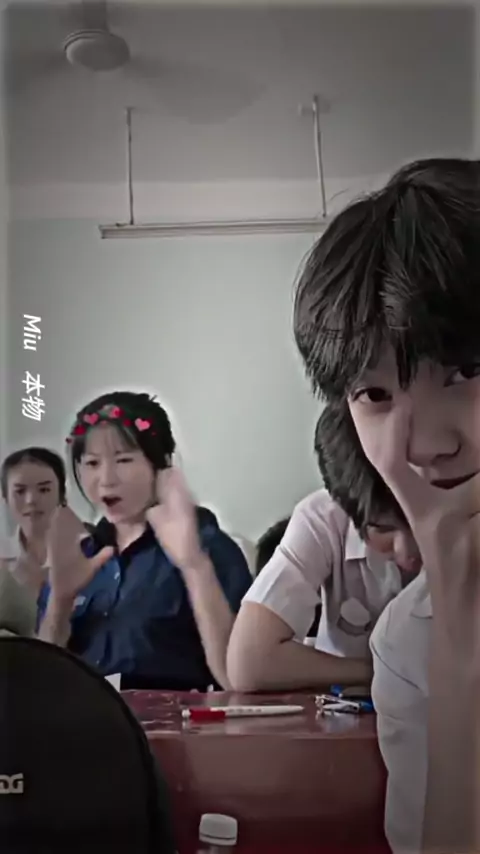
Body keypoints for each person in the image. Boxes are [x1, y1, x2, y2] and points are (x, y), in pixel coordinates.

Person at [293, 157, 480, 853]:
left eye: (468, 371)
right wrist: (461, 646)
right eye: (375, 395)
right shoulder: (409, 641)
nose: (426, 445)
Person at [37, 391, 252, 691]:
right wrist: (59, 602)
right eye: (92, 463)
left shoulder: (209, 547)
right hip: (82, 714)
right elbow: (40, 681)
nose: (106, 479)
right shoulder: (79, 555)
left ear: (162, 464)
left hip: (169, 717)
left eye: (123, 460)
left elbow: (234, 679)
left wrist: (194, 567)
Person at [227, 401, 421, 692]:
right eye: (381, 528)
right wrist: (385, 672)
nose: (408, 551)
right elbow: (249, 663)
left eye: (418, 522)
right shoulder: (323, 518)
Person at [0, 447, 66, 597]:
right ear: (5, 498)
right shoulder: (3, 556)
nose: (31, 500)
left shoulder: (90, 549)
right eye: (20, 491)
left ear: (61, 494)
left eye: (44, 490)